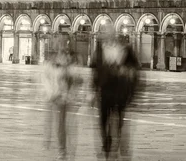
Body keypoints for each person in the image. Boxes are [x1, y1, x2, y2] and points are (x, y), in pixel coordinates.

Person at [92, 30, 140, 161]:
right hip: (105, 91)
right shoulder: (100, 50)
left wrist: (126, 73)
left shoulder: (125, 49)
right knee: (103, 121)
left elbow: (135, 69)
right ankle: (107, 142)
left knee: (118, 120)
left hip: (119, 91)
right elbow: (95, 71)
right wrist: (93, 91)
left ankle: (116, 144)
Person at [41, 46, 81, 160]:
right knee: (61, 126)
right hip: (59, 99)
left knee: (70, 126)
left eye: (65, 55)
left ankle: (70, 150)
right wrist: (52, 94)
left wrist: (73, 94)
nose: (63, 58)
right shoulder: (53, 67)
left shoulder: (72, 69)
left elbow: (77, 82)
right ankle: (62, 150)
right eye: (61, 55)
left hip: (69, 100)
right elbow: (47, 80)